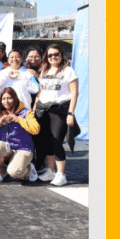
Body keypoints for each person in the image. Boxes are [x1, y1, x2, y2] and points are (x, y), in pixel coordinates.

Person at [34, 44, 79, 187]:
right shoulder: (44, 70)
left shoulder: (68, 71)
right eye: (50, 55)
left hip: (59, 110)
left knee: (56, 141)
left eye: (56, 54)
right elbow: (41, 91)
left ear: (62, 55)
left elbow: (74, 93)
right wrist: (35, 107)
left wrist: (70, 113)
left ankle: (61, 174)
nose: (53, 57)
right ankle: (50, 170)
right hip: (43, 109)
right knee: (47, 141)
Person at [0, 87, 40, 183]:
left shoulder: (26, 112)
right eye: (3, 98)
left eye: (9, 98)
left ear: (15, 98)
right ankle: (1, 171)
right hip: (8, 147)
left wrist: (18, 119)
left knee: (14, 172)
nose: (6, 101)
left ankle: (30, 169)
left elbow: (36, 129)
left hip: (23, 148)